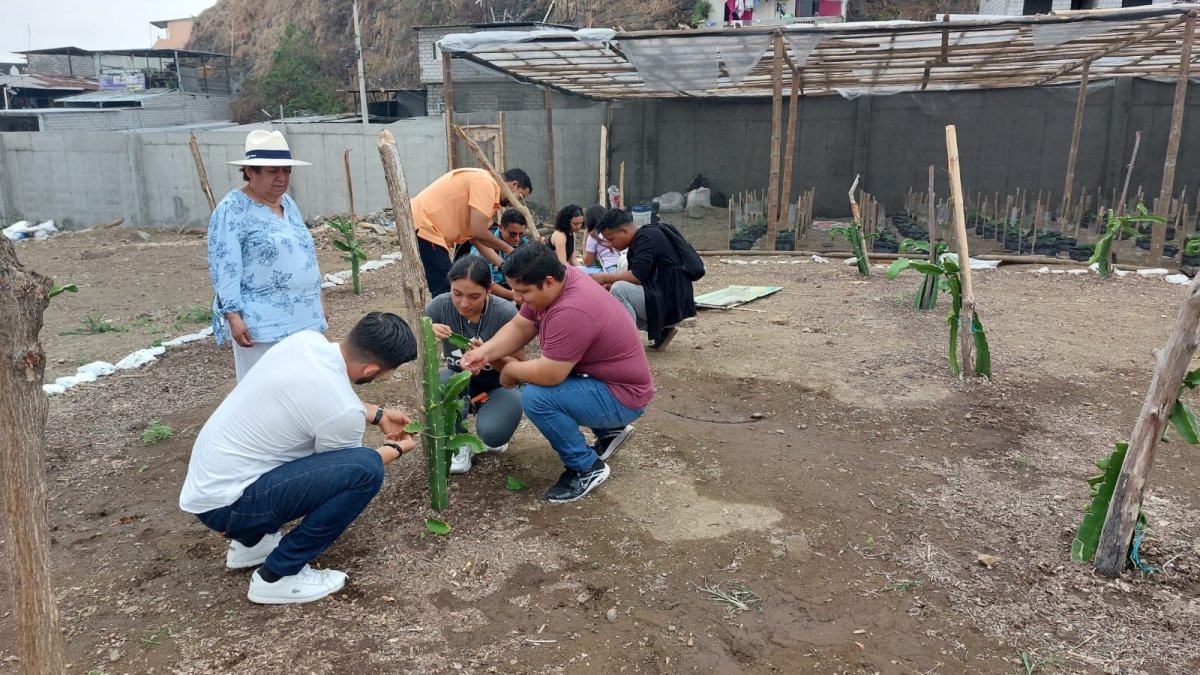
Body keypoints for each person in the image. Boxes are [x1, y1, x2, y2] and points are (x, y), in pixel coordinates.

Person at [179, 312, 419, 604]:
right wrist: (396, 449)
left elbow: (323, 396)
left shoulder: (304, 342)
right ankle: (278, 576)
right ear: (370, 370)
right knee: (366, 469)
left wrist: (377, 413)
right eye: (385, 373)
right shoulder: (343, 413)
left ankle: (252, 542)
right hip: (230, 509)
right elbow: (344, 468)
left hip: (209, 487)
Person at [460, 244, 653, 503]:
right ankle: (610, 432)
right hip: (608, 381)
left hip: (624, 396)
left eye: (522, 291)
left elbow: (551, 374)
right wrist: (485, 353)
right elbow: (521, 326)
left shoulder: (571, 309)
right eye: (514, 289)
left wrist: (510, 369)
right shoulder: (559, 280)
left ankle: (585, 468)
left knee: (537, 397)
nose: (516, 297)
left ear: (548, 282)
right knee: (542, 384)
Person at [208, 129, 326, 380]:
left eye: (286, 171)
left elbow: (303, 255)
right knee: (266, 385)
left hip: (304, 317)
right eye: (273, 171)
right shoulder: (232, 209)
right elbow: (225, 264)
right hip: (263, 323)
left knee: (303, 383)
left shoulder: (288, 204)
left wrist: (317, 302)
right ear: (250, 171)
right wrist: (233, 316)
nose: (282, 178)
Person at [425, 256, 525, 474]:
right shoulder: (438, 307)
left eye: (474, 296)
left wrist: (489, 354)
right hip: (459, 382)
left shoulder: (505, 313)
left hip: (498, 386)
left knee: (493, 436)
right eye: (457, 294)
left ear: (489, 289)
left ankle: (491, 423)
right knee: (440, 381)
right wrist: (426, 335)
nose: (464, 303)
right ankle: (458, 442)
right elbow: (412, 351)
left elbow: (519, 369)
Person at [410, 167, 533, 296]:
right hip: (427, 227)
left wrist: (503, 265)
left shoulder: (486, 187)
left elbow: (475, 237)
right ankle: (443, 309)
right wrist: (509, 250)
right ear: (513, 185)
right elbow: (478, 232)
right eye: (520, 197)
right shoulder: (486, 184)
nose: (516, 203)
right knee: (446, 287)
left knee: (447, 284)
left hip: (428, 227)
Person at [591, 209, 700, 351]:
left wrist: (604, 277)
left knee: (619, 290)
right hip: (670, 297)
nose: (611, 245)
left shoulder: (646, 238)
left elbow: (637, 276)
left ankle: (627, 344)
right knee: (613, 291)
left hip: (671, 302)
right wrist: (609, 285)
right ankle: (661, 331)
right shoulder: (642, 238)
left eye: (611, 239)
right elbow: (641, 277)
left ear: (624, 231)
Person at [469, 208, 529, 303]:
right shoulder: (484, 244)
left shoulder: (524, 243)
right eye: (512, 234)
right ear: (501, 228)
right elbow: (482, 282)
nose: (517, 239)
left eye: (521, 234)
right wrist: (513, 296)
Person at [581, 204, 621, 274]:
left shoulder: (594, 235)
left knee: (576, 271)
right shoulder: (615, 229)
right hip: (622, 266)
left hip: (609, 270)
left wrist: (584, 241)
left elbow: (588, 263)